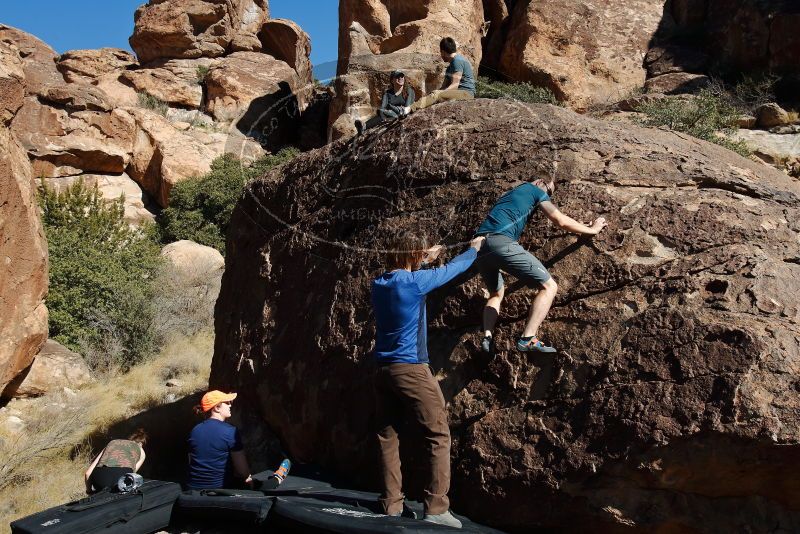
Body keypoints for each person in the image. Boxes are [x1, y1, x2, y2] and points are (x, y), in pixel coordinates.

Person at [371, 232, 485, 529]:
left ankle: (391, 504)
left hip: (383, 370)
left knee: (388, 436)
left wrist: (421, 259)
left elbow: (406, 280)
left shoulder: (379, 283)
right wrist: (473, 250)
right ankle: (436, 507)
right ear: (412, 255)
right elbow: (451, 271)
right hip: (411, 368)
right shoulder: (415, 282)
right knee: (438, 434)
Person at [474, 177, 608, 354]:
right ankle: (528, 338)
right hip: (501, 243)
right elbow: (559, 220)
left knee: (496, 293)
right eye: (548, 190)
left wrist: (582, 226)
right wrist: (592, 229)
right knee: (549, 286)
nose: (547, 194)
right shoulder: (536, 191)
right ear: (539, 182)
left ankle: (488, 336)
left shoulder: (509, 194)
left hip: (479, 247)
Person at [186, 390, 253, 490]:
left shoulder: (194, 431)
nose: (230, 405)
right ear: (217, 408)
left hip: (192, 490)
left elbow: (191, 462)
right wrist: (248, 477)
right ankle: (276, 479)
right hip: (220, 492)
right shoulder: (230, 432)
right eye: (227, 403)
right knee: (250, 481)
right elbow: (242, 471)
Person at [410, 37, 475, 112]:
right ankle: (414, 107)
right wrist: (433, 94)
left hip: (466, 93)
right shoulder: (449, 67)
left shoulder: (457, 61)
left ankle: (410, 108)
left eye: (440, 52)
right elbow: (444, 87)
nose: (441, 55)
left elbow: (454, 85)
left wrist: (439, 93)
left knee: (437, 94)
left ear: (443, 52)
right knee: (434, 93)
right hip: (458, 93)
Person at [84, 429, 147, 494]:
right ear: (141, 443)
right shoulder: (141, 451)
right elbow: (131, 474)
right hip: (120, 480)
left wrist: (89, 491)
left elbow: (87, 473)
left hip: (99, 478)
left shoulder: (113, 443)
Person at [355, 70, 416, 135]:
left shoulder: (409, 91)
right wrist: (387, 110)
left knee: (396, 112)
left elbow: (407, 108)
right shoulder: (387, 93)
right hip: (390, 114)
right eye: (397, 77)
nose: (400, 78)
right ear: (392, 81)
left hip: (404, 112)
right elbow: (382, 109)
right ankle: (363, 126)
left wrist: (391, 107)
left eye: (402, 76)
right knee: (382, 114)